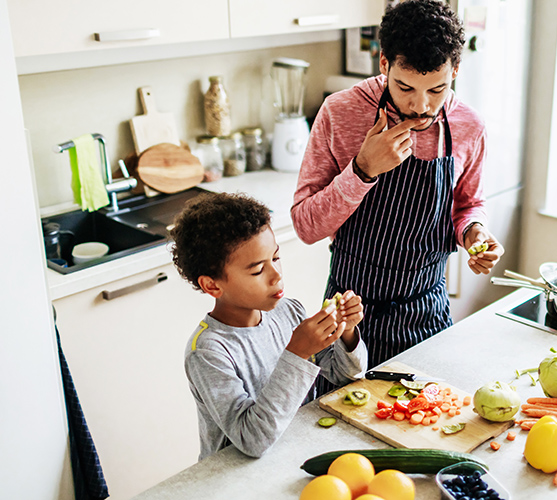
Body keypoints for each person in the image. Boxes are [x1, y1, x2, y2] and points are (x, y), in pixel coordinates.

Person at [291, 0, 504, 377]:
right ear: (384, 63)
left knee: (426, 426)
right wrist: (362, 169)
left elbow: (469, 204)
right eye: (405, 88)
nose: (420, 107)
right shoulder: (340, 113)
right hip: (348, 317)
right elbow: (306, 227)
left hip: (426, 313)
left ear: (455, 69)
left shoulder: (469, 126)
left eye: (437, 89)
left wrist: (475, 233)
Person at [170, 192, 367, 460]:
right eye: (257, 270)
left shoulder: (289, 312)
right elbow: (252, 439)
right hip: (235, 480)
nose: (277, 276)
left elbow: (345, 377)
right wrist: (296, 353)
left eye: (275, 258)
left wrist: (347, 333)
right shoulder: (208, 352)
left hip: (294, 456)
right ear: (212, 285)